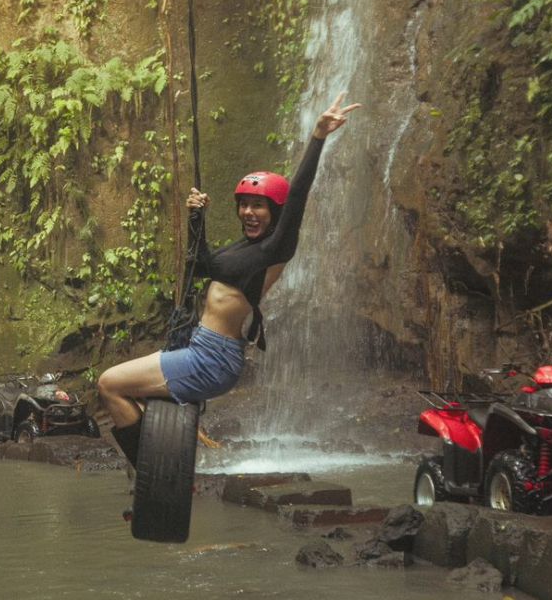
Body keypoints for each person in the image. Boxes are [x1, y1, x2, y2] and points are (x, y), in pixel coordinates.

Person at [98, 93, 361, 466]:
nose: (249, 212)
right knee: (126, 390)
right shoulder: (238, 250)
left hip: (211, 358)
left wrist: (318, 136)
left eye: (259, 206)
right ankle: (159, 475)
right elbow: (199, 264)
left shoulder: (275, 248)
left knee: (109, 384)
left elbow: (299, 194)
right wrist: (195, 218)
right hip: (199, 349)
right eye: (244, 204)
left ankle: (153, 474)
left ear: (275, 213)